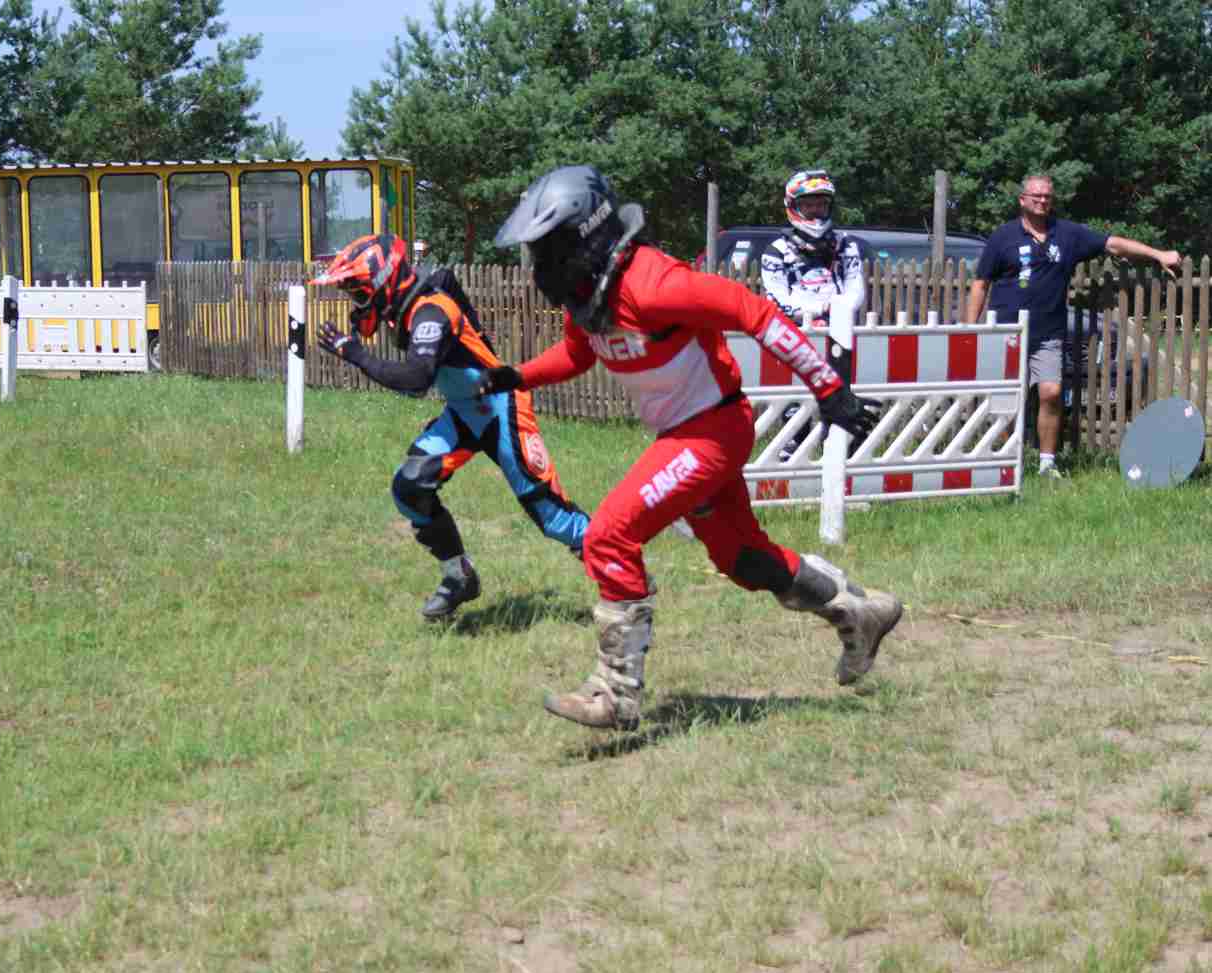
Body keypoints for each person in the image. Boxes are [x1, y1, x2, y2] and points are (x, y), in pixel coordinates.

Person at [480, 165, 903, 731]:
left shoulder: (656, 285)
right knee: (743, 560)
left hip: (712, 430)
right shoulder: (589, 295)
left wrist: (828, 388)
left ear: (585, 236)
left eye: (547, 248)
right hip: (684, 433)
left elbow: (754, 313)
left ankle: (616, 691)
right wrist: (517, 377)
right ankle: (859, 611)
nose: (539, 266)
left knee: (608, 536)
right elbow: (578, 355)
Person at [311, 233, 590, 620]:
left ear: (384, 281)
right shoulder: (407, 306)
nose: (356, 305)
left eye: (358, 293)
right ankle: (459, 577)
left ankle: (621, 570)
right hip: (463, 413)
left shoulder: (431, 312)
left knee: (551, 516)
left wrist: (355, 354)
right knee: (409, 486)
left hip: (500, 409)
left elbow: (415, 379)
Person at [964, 173, 1182, 479]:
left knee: (1051, 393)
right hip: (1007, 334)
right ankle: (1006, 462)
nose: (1042, 201)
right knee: (1007, 403)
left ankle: (1046, 464)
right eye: (1036, 196)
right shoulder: (1003, 237)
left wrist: (1158, 254)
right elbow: (980, 284)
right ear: (1022, 200)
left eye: (1047, 197)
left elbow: (1114, 244)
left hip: (1049, 334)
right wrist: (969, 330)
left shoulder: (1066, 234)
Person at [762, 169, 868, 458]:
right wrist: (820, 308)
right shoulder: (776, 251)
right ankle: (792, 457)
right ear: (794, 207)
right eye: (808, 204)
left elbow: (856, 290)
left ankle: (841, 455)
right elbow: (776, 299)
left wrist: (840, 309)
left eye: (821, 203)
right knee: (795, 401)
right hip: (795, 335)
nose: (815, 210)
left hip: (839, 335)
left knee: (842, 395)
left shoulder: (847, 245)